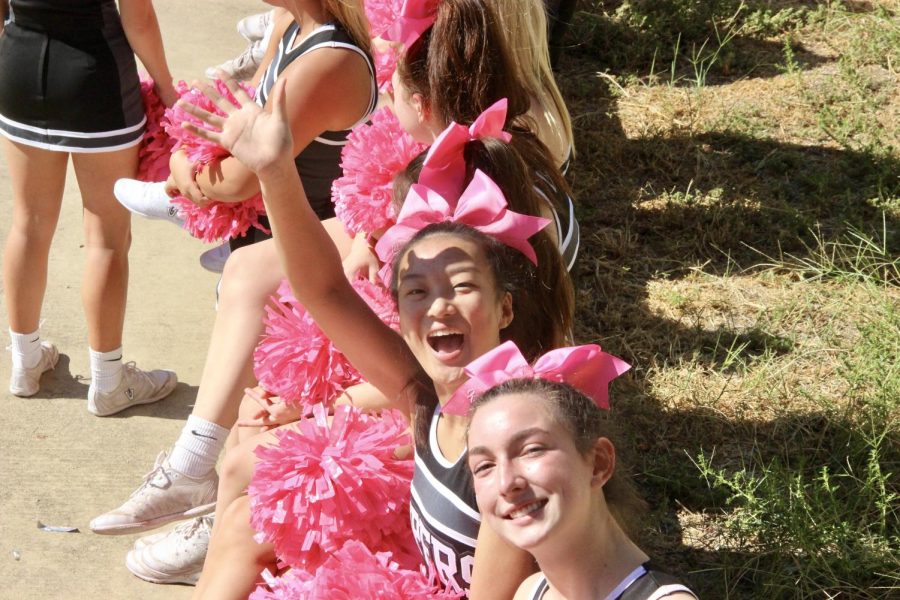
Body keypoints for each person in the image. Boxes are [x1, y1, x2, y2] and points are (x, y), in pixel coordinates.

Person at [176, 65, 575, 597]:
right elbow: (326, 291)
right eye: (415, 291)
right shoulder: (428, 402)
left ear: (506, 307)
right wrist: (274, 170)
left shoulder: (511, 444)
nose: (438, 307)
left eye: (460, 285)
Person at [90, 0, 377, 535]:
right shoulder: (289, 25)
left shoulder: (329, 59)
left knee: (252, 345)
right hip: (271, 227)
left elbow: (239, 178)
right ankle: (209, 504)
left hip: (308, 239)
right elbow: (238, 125)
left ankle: (200, 488)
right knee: (244, 372)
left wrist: (182, 165)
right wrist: (192, 159)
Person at [0, 0, 178, 412]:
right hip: (96, 79)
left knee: (27, 224)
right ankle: (109, 382)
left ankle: (25, 362)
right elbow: (141, 19)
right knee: (106, 237)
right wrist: (167, 88)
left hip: (21, 68)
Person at [465, 349, 698, 600]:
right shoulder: (531, 591)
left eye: (532, 450)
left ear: (598, 463)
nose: (506, 482)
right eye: (484, 466)